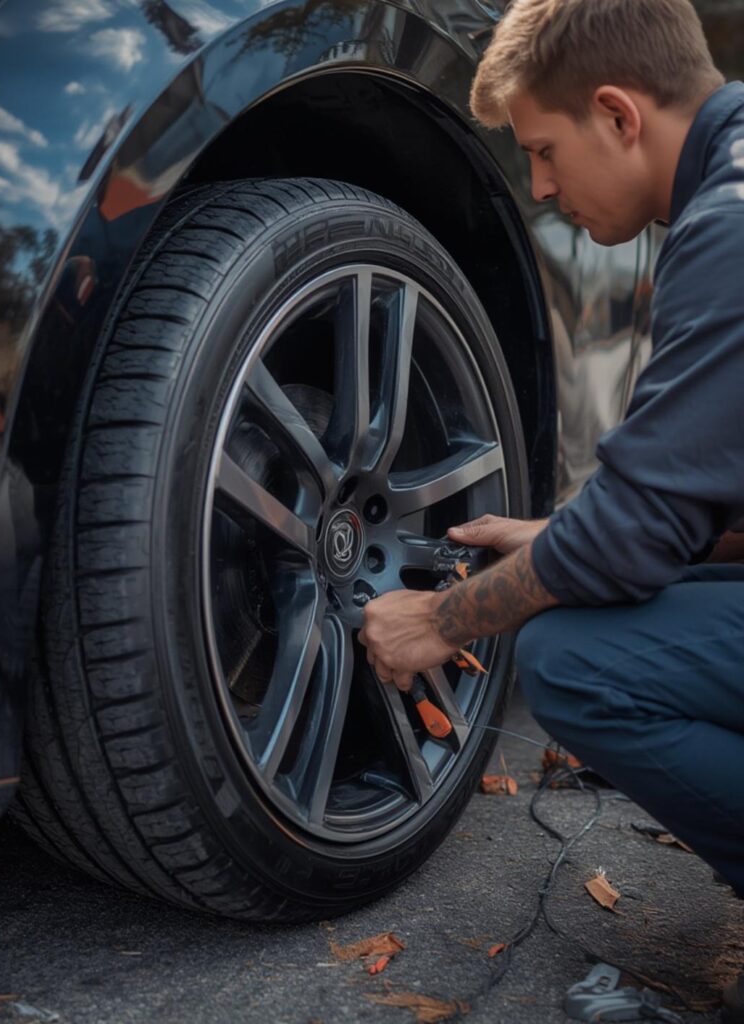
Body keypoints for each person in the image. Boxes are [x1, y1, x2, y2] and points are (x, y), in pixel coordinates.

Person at [359, 0, 744, 1011]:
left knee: (573, 658)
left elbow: (629, 542)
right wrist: (568, 534)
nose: (535, 188)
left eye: (542, 150)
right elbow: (685, 502)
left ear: (618, 115)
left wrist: (436, 620)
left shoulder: (730, 229)